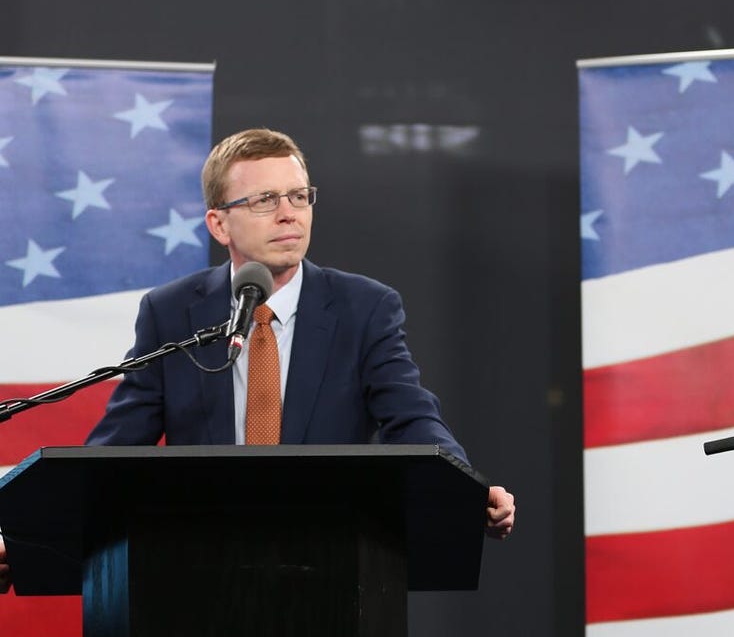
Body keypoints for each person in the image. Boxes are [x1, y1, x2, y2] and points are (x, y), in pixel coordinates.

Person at [0, 128, 511, 598]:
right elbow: (115, 449)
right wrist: (32, 539)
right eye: (265, 199)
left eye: (299, 195)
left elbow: (412, 418)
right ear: (219, 223)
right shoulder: (172, 313)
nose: (290, 213)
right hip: (199, 580)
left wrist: (466, 487)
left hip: (329, 576)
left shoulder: (364, 308)